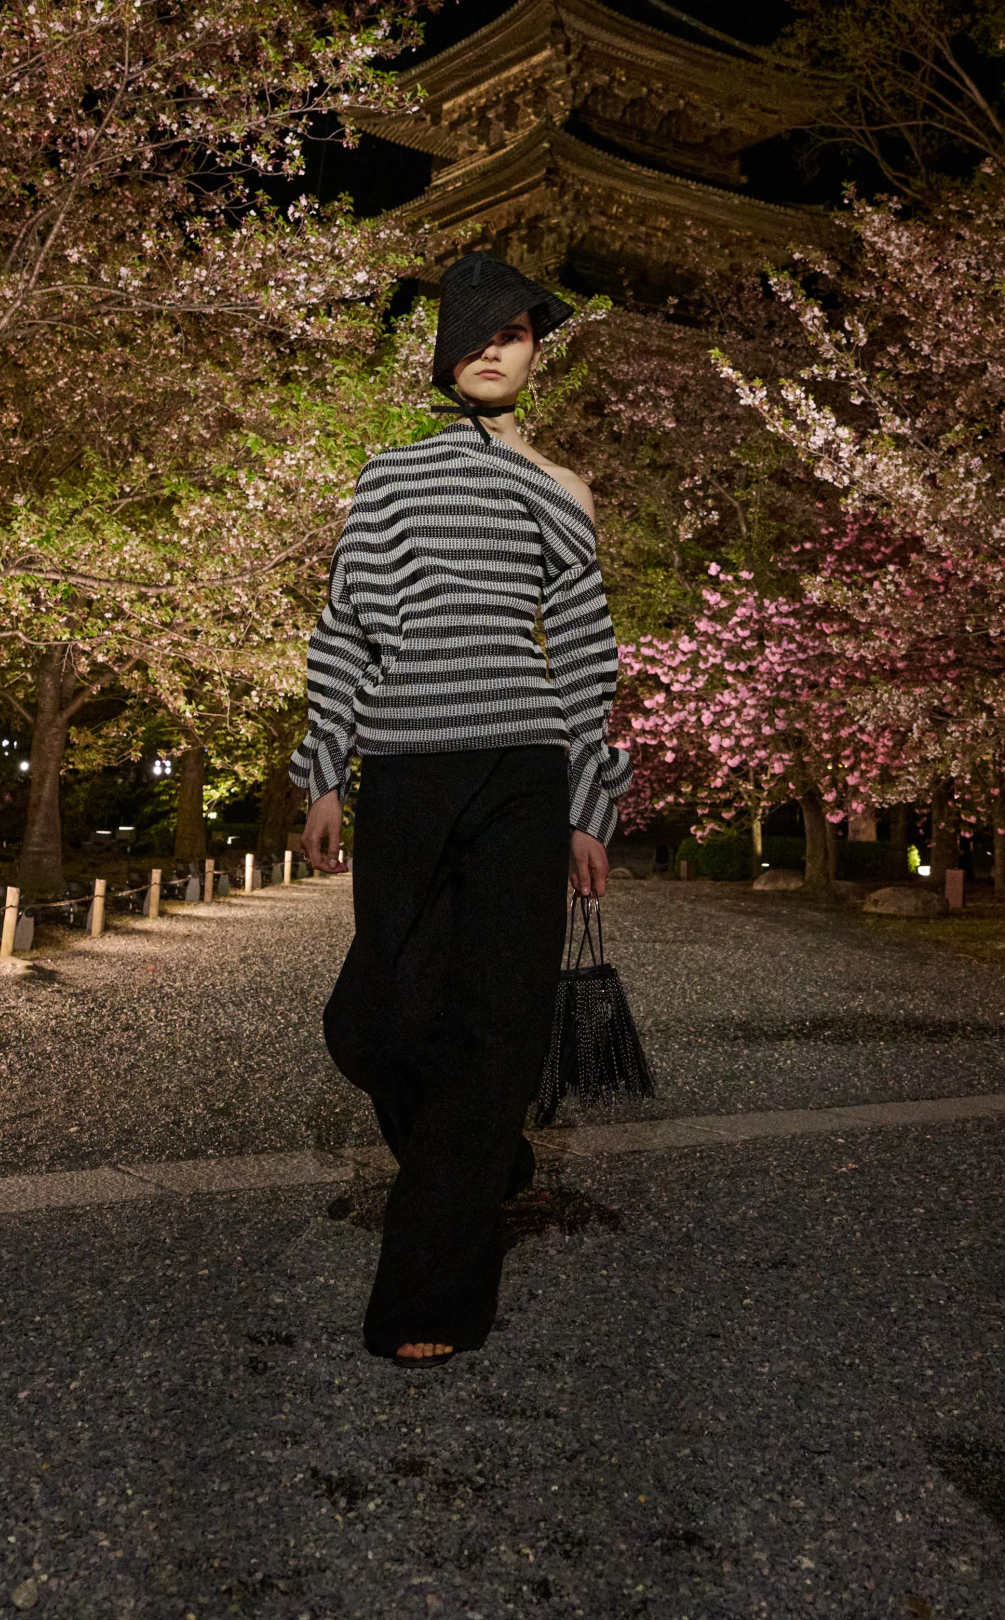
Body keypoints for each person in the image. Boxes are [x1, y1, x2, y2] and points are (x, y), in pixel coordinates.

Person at [289, 251, 631, 1368]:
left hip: (524, 770)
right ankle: (482, 1156)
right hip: (406, 765)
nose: (495, 348)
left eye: (515, 333)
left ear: (536, 354)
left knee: (496, 1021)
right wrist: (323, 771)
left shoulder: (563, 488)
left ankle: (430, 1296)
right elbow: (347, 627)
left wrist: (588, 802)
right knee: (372, 1021)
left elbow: (584, 650)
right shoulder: (388, 477)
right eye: (477, 333)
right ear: (444, 352)